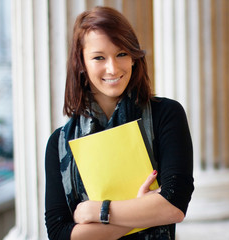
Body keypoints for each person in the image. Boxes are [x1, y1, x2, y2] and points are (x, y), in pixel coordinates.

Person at [44, 6, 194, 240]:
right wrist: (145, 211)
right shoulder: (60, 142)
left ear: (134, 58)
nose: (113, 68)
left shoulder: (166, 115)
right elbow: (59, 233)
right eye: (98, 57)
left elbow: (174, 207)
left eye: (122, 53)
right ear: (81, 64)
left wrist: (97, 211)